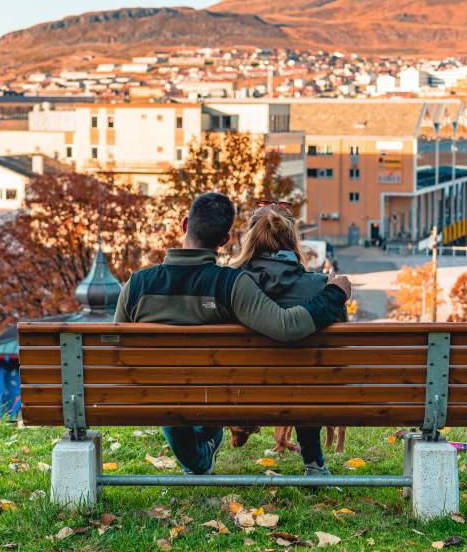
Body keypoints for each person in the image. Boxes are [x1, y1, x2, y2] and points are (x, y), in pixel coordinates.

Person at [115, 192, 352, 475]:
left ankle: (199, 456)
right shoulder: (230, 285)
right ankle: (206, 448)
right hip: (216, 398)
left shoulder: (136, 285)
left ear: (183, 224)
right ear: (225, 239)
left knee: (172, 397)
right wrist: (334, 293)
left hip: (155, 396)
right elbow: (286, 326)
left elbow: (115, 349)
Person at [229, 203, 346, 476]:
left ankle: (201, 457)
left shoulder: (230, 283)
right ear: (293, 239)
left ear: (251, 239)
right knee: (307, 378)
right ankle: (314, 462)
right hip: (308, 392)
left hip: (243, 394)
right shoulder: (321, 287)